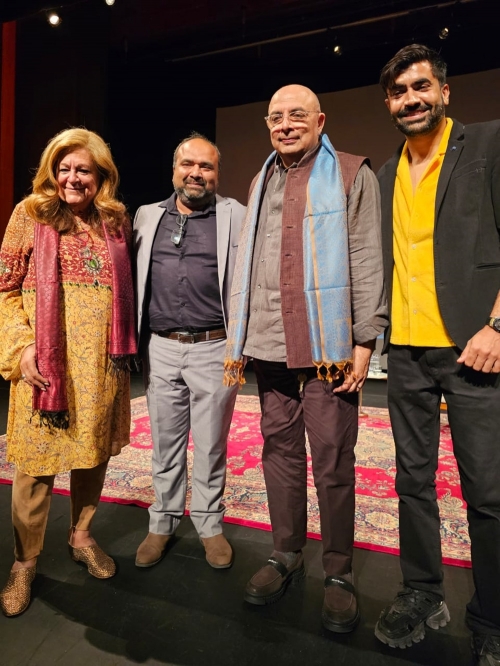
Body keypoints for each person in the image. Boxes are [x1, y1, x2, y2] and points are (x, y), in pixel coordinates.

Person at [223, 85, 387, 632]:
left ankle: (338, 571)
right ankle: (286, 552)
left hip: (327, 350)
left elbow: (365, 256)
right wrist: (241, 337)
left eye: (297, 115)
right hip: (270, 344)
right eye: (276, 117)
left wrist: (365, 341)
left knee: (334, 458)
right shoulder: (260, 177)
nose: (286, 124)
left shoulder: (349, 172)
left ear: (320, 119)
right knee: (280, 455)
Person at [374, 44, 500, 665]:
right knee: (412, 483)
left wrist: (498, 325)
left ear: (444, 91)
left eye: (420, 86)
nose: (411, 99)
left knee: (489, 492)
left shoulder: (487, 144)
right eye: (399, 92)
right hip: (406, 352)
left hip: (476, 347)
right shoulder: (386, 171)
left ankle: (493, 616)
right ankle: (423, 591)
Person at [0, 128, 136, 618]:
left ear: (101, 176)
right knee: (35, 469)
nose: (71, 178)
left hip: (100, 367)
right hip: (44, 369)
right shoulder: (29, 214)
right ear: (51, 171)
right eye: (64, 168)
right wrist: (20, 350)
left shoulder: (114, 221)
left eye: (83, 169)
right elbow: (5, 289)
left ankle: (81, 536)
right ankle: (24, 562)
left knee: (92, 455)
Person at [133, 133, 245, 570]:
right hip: (161, 347)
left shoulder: (235, 215)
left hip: (214, 347)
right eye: (189, 165)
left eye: (207, 167)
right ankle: (161, 521)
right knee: (165, 442)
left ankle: (209, 523)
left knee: (212, 443)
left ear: (217, 174)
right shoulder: (146, 216)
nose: (197, 173)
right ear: (175, 169)